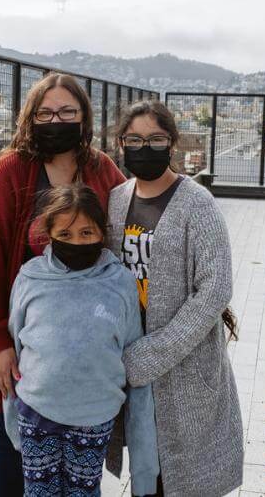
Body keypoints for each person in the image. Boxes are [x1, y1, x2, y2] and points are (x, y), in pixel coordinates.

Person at [0, 73, 126, 496]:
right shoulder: (11, 172)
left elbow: (128, 236)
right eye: (46, 112)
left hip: (86, 342)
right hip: (22, 339)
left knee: (77, 451)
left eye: (67, 111)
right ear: (30, 118)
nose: (57, 120)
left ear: (83, 117)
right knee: (7, 436)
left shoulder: (100, 169)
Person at [106, 100, 243, 497]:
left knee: (183, 476)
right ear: (120, 142)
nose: (144, 147)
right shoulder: (117, 199)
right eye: (134, 139)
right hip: (131, 363)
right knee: (146, 469)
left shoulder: (197, 204)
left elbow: (215, 287)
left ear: (172, 144)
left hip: (182, 367)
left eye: (155, 139)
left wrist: (155, 352)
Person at [2, 184, 159, 497]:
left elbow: (132, 353)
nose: (76, 242)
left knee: (83, 493)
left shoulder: (120, 282)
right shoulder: (30, 277)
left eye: (87, 233)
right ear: (49, 234)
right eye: (66, 234)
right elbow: (16, 350)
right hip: (37, 411)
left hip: (94, 415)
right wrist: (11, 415)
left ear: (102, 233)